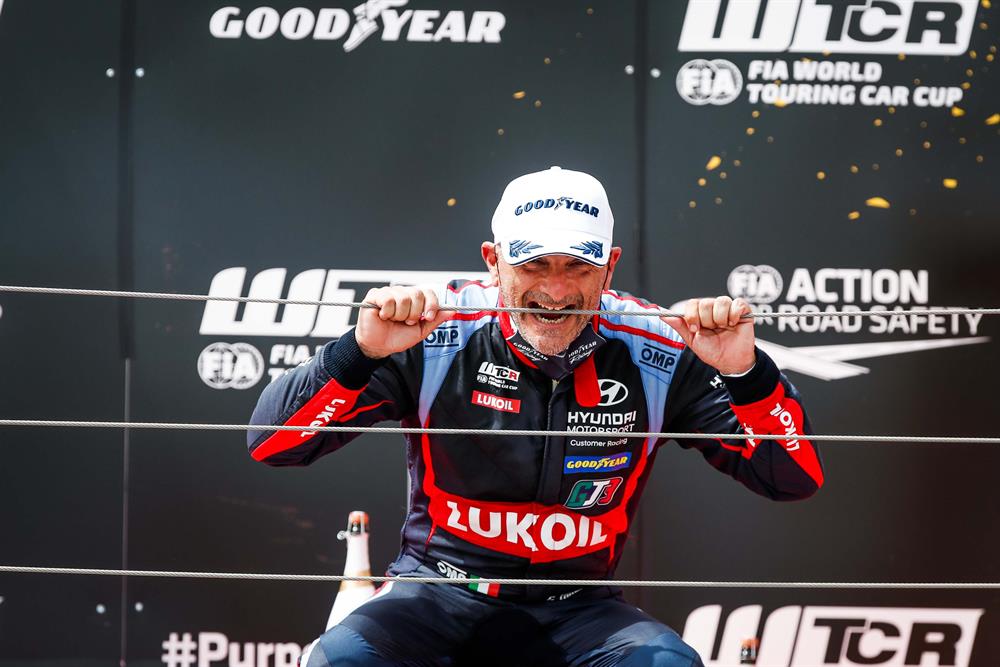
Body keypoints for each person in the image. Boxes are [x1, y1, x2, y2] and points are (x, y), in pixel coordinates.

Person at [248, 166, 824, 666]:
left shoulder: (661, 346)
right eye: (533, 264)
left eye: (578, 266)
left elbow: (792, 478)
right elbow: (272, 444)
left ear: (610, 268)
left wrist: (747, 374)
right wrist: (359, 352)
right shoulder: (433, 329)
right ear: (494, 262)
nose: (555, 289)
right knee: (341, 659)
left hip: (580, 607)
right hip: (437, 591)